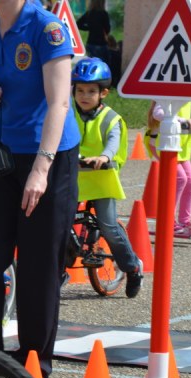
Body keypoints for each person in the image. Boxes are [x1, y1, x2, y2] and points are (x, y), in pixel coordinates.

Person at [0, 0, 79, 378]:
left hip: (47, 156)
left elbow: (60, 103)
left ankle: (32, 372)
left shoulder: (47, 29)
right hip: (1, 154)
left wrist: (41, 169)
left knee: (37, 267)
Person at [71, 57, 143, 298]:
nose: (84, 96)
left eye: (91, 91)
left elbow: (113, 142)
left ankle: (132, 268)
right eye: (80, 90)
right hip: (73, 177)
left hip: (102, 177)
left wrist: (103, 157)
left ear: (104, 93)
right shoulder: (68, 112)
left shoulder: (111, 119)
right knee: (57, 222)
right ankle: (58, 270)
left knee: (109, 227)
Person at [149, 101, 191, 237]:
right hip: (164, 145)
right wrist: (182, 120)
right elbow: (158, 113)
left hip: (180, 149)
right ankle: (168, 222)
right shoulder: (169, 95)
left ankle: (184, 222)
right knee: (180, 179)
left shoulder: (188, 99)